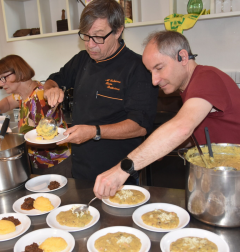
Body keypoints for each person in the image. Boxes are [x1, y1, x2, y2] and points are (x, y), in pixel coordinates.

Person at [93, 30, 240, 198]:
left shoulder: (207, 78)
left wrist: (122, 169)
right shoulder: (190, 88)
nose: (154, 81)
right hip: (220, 176)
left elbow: (182, 128)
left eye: (159, 68)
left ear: (183, 57)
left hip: (233, 178)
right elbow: (201, 131)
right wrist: (157, 150)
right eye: (150, 72)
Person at [44, 0, 158, 184]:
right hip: (81, 170)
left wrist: (94, 132)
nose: (90, 45)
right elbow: (52, 80)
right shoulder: (82, 60)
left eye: (98, 36)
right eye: (86, 36)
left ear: (118, 30)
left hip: (119, 174)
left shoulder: (138, 68)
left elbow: (140, 126)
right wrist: (50, 89)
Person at [0, 55, 71, 176]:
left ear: (19, 72)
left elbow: (43, 138)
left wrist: (11, 139)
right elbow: (8, 101)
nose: (1, 84)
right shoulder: (23, 93)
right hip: (38, 160)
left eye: (4, 78)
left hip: (54, 162)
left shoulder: (40, 97)